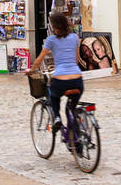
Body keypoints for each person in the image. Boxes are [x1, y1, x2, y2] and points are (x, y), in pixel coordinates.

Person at [28, 11, 83, 144]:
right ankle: (76, 139)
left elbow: (39, 59)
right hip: (77, 80)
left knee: (53, 96)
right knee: (71, 108)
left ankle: (57, 118)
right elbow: (76, 60)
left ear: (53, 26)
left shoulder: (51, 40)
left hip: (61, 79)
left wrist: (31, 70)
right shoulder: (75, 37)